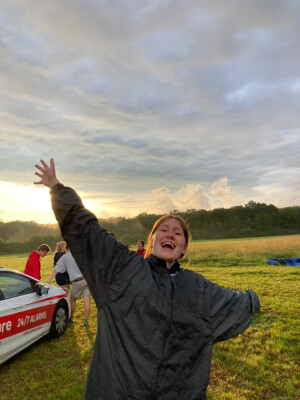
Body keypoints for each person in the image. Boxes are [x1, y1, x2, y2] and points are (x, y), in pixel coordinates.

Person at [34, 158, 260, 400]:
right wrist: (57, 187)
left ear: (183, 248)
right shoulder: (121, 268)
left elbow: (233, 304)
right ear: (151, 241)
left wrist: (252, 299)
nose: (170, 233)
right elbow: (88, 232)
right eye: (163, 229)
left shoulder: (197, 288)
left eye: (177, 232)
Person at [48, 247, 91, 326]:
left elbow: (57, 268)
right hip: (87, 279)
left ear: (67, 249)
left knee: (72, 300)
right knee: (87, 300)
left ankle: (71, 318)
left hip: (77, 281)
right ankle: (86, 321)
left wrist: (50, 279)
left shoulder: (66, 256)